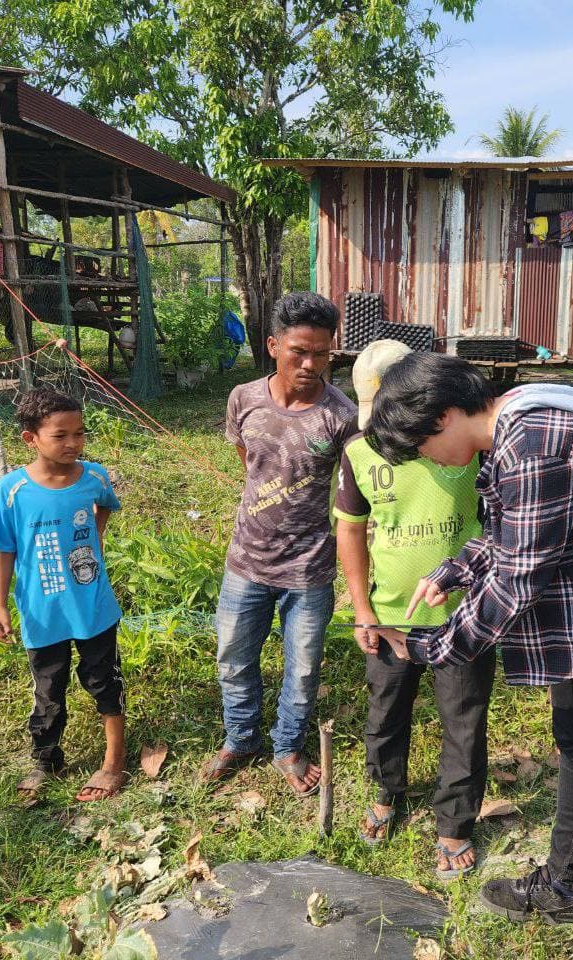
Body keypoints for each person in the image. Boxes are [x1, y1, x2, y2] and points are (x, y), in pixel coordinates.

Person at [365, 355, 573, 960]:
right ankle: (565, 884)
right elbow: (512, 531)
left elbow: (518, 578)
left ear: (443, 417)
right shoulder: (512, 426)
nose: (426, 462)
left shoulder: (535, 440)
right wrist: (454, 571)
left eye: (419, 447)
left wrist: (429, 647)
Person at [335, 339, 494, 879]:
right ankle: (386, 792)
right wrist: (362, 608)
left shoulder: (469, 441)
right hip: (389, 615)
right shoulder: (359, 450)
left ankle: (454, 822)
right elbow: (350, 530)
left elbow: (498, 522)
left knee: (464, 721)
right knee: (385, 713)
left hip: (462, 618)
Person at [200, 292, 357, 795]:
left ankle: (287, 746)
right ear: (273, 346)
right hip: (246, 561)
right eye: (298, 352)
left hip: (309, 568)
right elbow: (248, 460)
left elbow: (353, 493)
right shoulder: (244, 399)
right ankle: (240, 738)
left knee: (304, 667)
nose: (310, 364)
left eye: (321, 353)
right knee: (232, 657)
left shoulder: (341, 415)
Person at [0, 388, 127, 803]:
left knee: (104, 681)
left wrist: (93, 540)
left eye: (79, 434)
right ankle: (47, 760)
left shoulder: (94, 477)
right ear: (31, 438)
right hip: (41, 612)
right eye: (60, 436)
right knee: (48, 690)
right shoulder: (11, 491)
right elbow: (4, 549)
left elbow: (106, 505)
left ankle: (114, 759)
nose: (73, 444)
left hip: (93, 608)